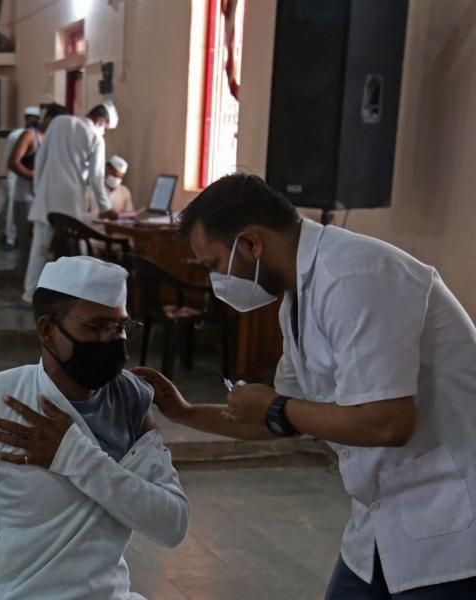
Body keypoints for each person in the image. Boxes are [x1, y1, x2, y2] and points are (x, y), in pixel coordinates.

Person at [151, 173, 476, 599]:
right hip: (382, 518)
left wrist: (275, 407)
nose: (216, 281)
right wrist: (184, 411)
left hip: (451, 517)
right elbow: (283, 419)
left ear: (251, 243)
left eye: (214, 265)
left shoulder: (353, 276)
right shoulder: (299, 297)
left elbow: (387, 424)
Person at [0, 256, 189, 599]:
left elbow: (172, 525)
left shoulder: (129, 399)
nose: (113, 341)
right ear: (47, 330)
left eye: (120, 327)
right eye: (96, 328)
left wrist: (73, 456)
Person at [21, 100, 119, 305]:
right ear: (101, 120)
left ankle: (29, 295)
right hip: (72, 202)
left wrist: (40, 189)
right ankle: (79, 296)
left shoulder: (59, 122)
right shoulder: (95, 138)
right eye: (106, 128)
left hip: (47, 198)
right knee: (78, 250)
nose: (104, 132)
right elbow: (96, 177)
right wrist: (106, 208)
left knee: (38, 250)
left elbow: (40, 159)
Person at [8, 103, 68, 271]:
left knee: (41, 242)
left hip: (45, 197)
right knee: (26, 240)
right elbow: (13, 163)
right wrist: (35, 178)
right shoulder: (29, 136)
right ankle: (21, 276)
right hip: (25, 196)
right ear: (48, 118)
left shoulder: (54, 138)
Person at [1, 106, 41, 251]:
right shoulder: (24, 135)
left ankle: (12, 237)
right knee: (15, 208)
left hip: (18, 175)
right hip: (20, 174)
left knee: (13, 208)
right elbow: (13, 160)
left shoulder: (18, 134)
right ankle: (11, 239)